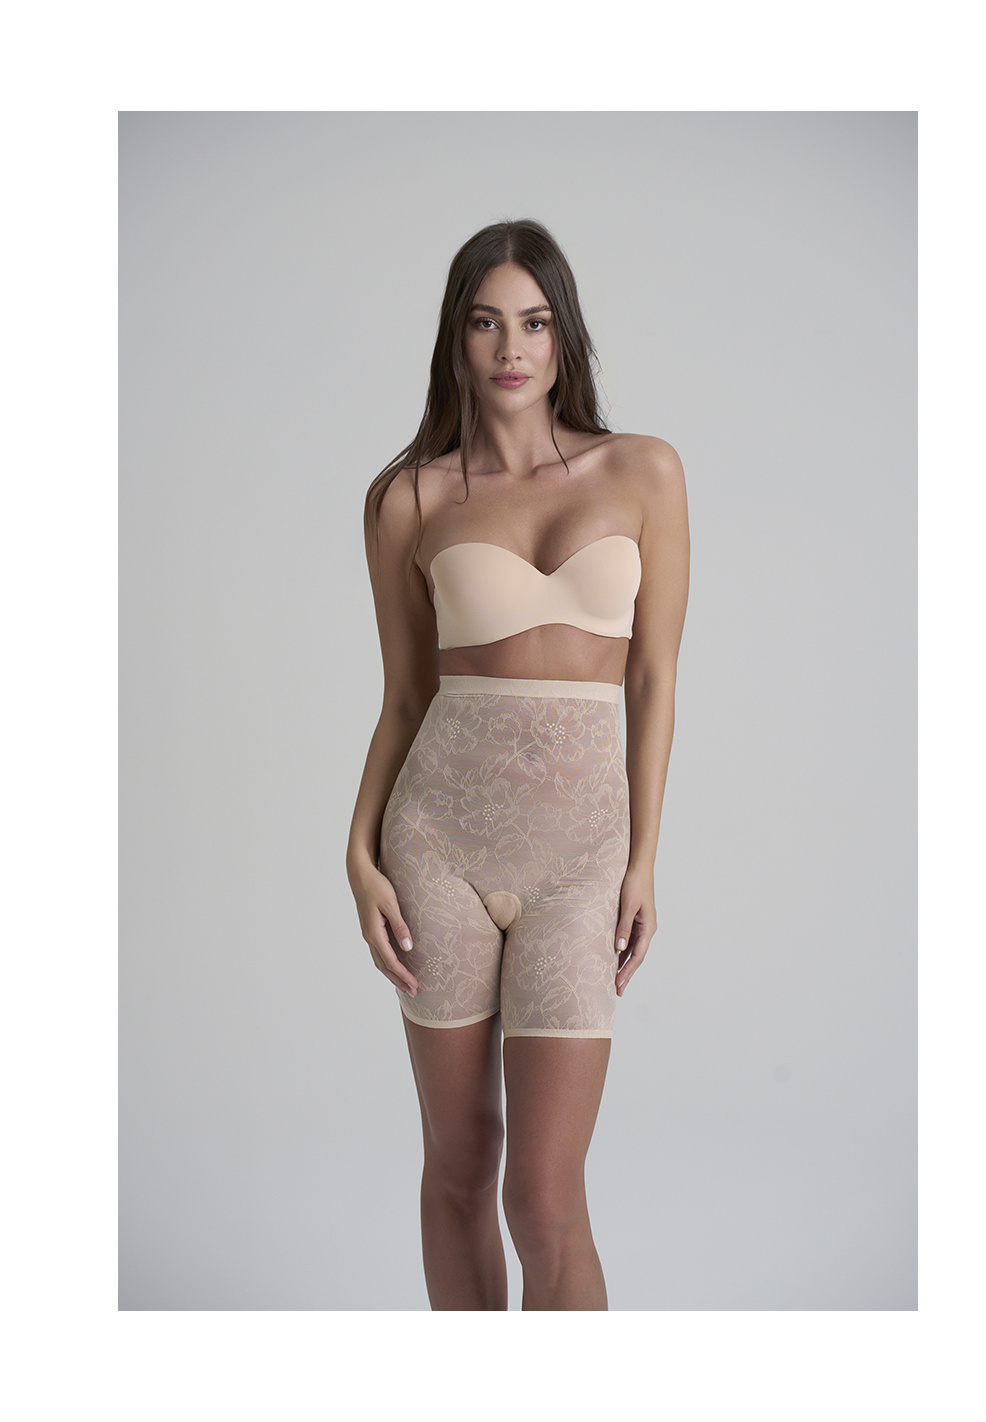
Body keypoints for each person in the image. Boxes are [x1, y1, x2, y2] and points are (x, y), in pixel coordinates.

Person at [346, 218, 689, 1310]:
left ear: (562, 335)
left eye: (534, 323)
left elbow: (653, 680)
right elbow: (405, 700)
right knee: (458, 1171)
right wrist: (356, 854)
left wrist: (641, 861)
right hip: (436, 845)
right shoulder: (407, 498)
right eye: (486, 322)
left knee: (545, 1201)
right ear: (456, 337)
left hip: (581, 863)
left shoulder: (643, 471)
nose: (511, 347)